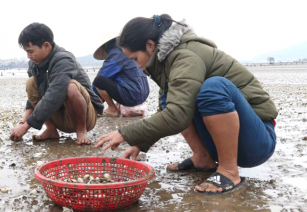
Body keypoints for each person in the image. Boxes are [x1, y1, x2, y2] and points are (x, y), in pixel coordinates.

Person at [96, 14, 277, 195]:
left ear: (150, 45)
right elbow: (166, 111)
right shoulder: (168, 64)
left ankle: (229, 171)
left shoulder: (186, 56)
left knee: (213, 88)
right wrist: (138, 143)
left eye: (135, 59)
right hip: (232, 141)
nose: (136, 66)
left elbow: (177, 116)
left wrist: (125, 133)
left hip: (257, 141)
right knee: (170, 97)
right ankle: (203, 159)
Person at [10, 23, 104, 145]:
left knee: (70, 87)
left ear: (46, 46)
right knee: (31, 83)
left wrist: (27, 126)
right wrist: (23, 121)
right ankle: (51, 129)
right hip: (60, 116)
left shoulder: (63, 60)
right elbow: (33, 96)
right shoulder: (34, 64)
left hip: (85, 116)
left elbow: (54, 94)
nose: (29, 56)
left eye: (31, 51)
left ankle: (81, 131)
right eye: (27, 52)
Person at [92, 33, 150, 117]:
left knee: (99, 81)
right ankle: (118, 105)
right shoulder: (129, 50)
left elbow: (103, 75)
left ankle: (112, 109)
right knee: (118, 76)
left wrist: (91, 98)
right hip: (144, 93)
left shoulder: (115, 53)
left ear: (106, 46)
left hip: (132, 96)